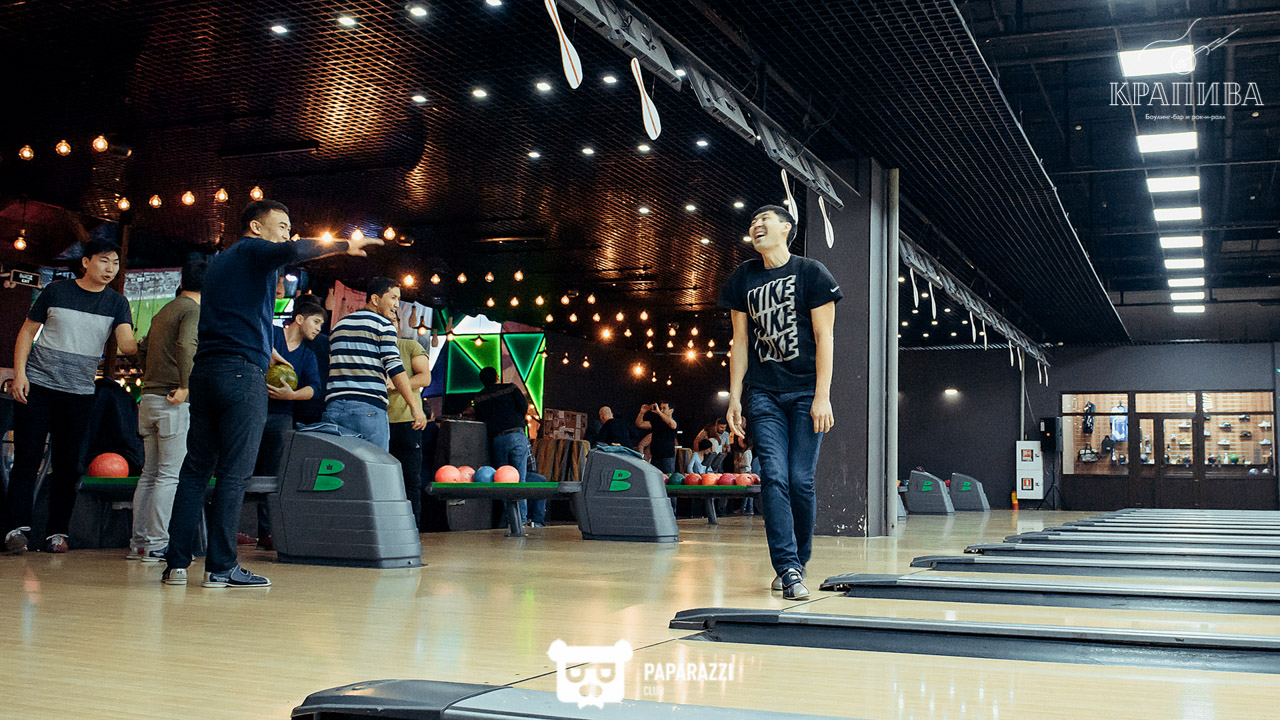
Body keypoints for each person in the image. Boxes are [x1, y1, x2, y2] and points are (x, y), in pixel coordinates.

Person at [162, 200, 383, 589]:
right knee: (234, 474)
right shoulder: (253, 250)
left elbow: (234, 317)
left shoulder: (220, 264)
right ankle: (221, 567)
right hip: (240, 375)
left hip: (207, 372)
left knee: (195, 471)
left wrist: (266, 349)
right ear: (255, 227)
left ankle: (176, 565)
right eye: (281, 226)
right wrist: (344, 245)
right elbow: (293, 250)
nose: (286, 234)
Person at [721, 204, 840, 601]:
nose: (756, 225)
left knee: (800, 480)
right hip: (764, 393)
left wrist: (822, 395)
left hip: (806, 392)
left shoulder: (812, 273)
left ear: (786, 228)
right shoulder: (743, 277)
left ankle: (799, 560)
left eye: (765, 220)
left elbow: (825, 338)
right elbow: (740, 341)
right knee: (773, 476)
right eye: (753, 222)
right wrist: (735, 396)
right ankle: (787, 567)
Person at [5, 237, 136, 555]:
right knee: (27, 459)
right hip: (38, 386)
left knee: (68, 465)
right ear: (86, 262)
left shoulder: (117, 303)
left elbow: (127, 345)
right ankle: (15, 530)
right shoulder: (56, 291)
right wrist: (20, 374)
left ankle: (57, 532)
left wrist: (156, 341)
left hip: (79, 393)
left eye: (115, 263)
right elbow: (27, 332)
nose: (110, 268)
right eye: (103, 260)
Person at [128, 256, 205, 562]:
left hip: (148, 398)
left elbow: (142, 348)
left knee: (149, 474)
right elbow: (186, 345)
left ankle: (139, 543)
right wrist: (185, 385)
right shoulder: (192, 310)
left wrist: (150, 375)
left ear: (182, 282)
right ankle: (158, 544)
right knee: (169, 476)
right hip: (172, 399)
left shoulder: (164, 311)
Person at [249, 293, 324, 550]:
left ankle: (267, 532)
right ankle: (230, 527)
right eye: (316, 322)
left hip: (282, 417)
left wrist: (291, 395)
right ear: (299, 319)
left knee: (273, 475)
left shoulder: (308, 355)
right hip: (252, 410)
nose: (318, 329)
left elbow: (314, 388)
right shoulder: (271, 334)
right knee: (242, 467)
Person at [323, 278, 425, 451]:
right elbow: (394, 367)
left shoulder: (339, 326)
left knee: (339, 464)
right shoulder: (384, 325)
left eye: (398, 299)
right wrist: (415, 408)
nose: (397, 305)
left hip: (334, 408)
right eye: (393, 298)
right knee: (374, 465)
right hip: (368, 409)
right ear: (375, 299)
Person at [472, 367, 543, 527]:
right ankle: (521, 521)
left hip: (498, 439)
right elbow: (523, 405)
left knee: (503, 481)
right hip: (516, 435)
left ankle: (509, 521)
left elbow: (480, 419)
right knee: (519, 480)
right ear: (497, 377)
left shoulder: (479, 397)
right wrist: (516, 419)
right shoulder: (510, 387)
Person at [387, 335, 432, 527]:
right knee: (382, 479)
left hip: (407, 421)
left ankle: (413, 527)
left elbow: (425, 377)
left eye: (392, 321)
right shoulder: (373, 346)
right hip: (378, 419)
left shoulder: (408, 346)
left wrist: (397, 382)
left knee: (410, 479)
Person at [635, 402, 678, 473]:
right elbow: (640, 424)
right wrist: (642, 413)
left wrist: (658, 412)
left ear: (671, 410)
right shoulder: (657, 422)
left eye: (664, 408)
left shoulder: (673, 422)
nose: (661, 410)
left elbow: (671, 424)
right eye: (660, 408)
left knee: (667, 477)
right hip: (655, 457)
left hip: (667, 458)